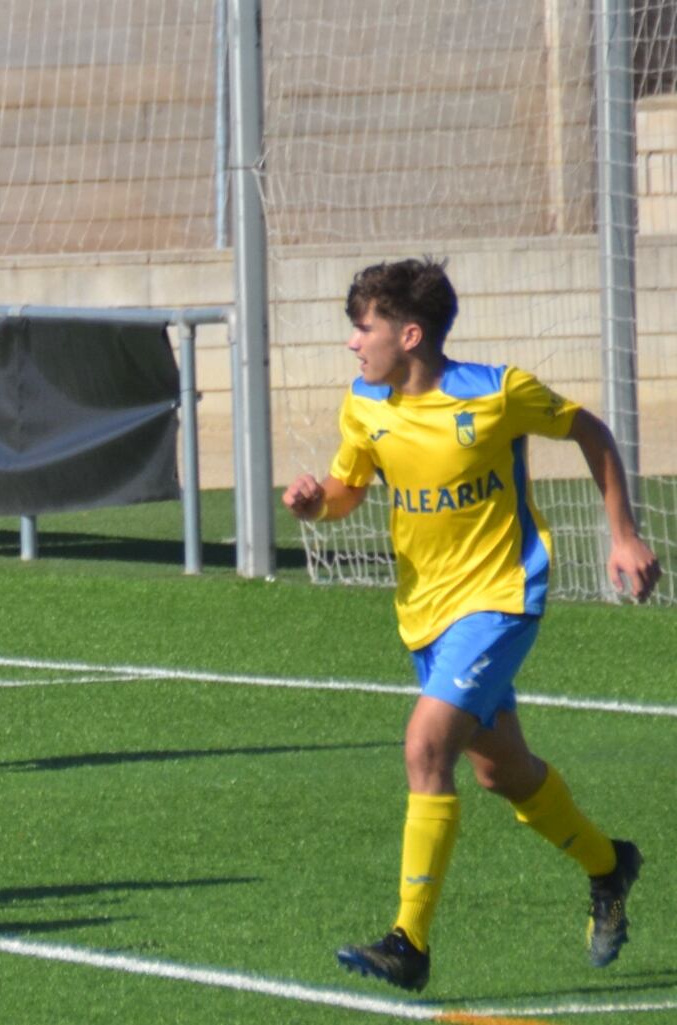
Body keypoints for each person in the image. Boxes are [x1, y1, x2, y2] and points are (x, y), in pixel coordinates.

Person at [283, 258, 661, 992]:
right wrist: (314, 501)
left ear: (411, 333)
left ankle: (409, 941)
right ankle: (610, 865)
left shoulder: (495, 394)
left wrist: (623, 534)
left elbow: (590, 430)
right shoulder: (365, 403)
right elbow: (348, 486)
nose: (354, 344)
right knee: (503, 772)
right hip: (425, 613)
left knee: (426, 743)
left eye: (365, 329)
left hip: (500, 598)